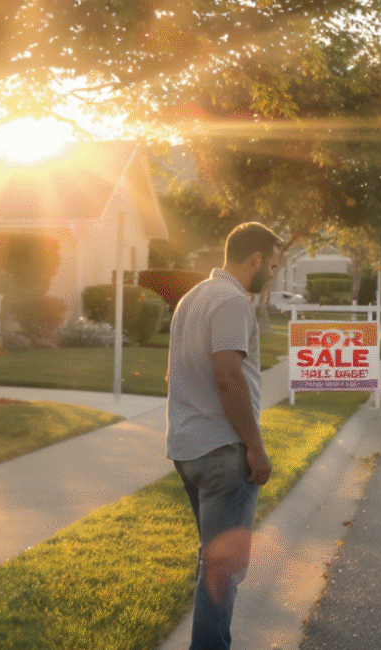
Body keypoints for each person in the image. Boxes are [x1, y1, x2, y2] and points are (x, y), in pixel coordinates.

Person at [167, 221, 282, 650]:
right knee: (223, 569)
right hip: (222, 453)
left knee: (213, 562)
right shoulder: (233, 301)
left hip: (187, 449)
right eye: (272, 260)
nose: (273, 268)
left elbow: (173, 374)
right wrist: (255, 447)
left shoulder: (191, 299)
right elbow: (229, 378)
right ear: (255, 258)